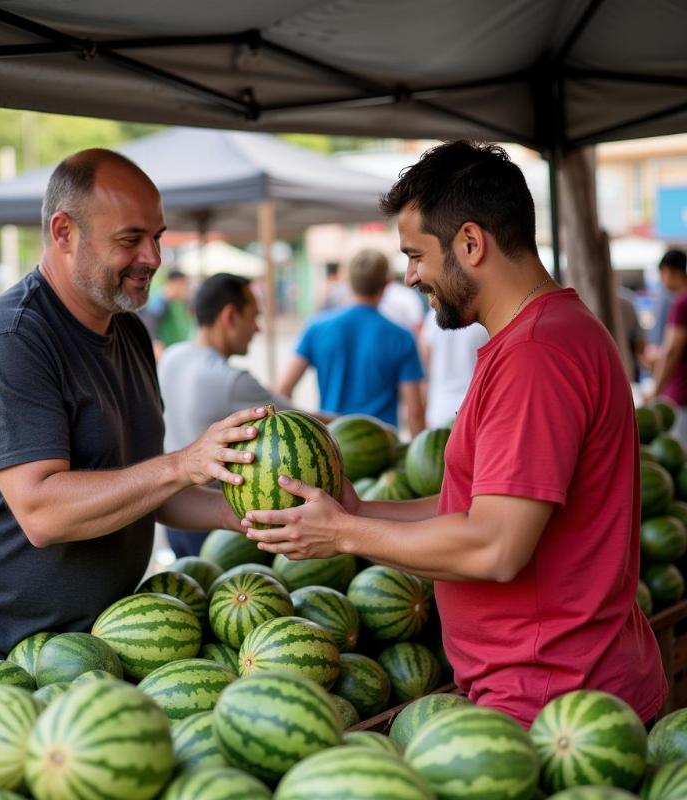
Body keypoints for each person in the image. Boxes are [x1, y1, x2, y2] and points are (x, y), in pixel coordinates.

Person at [243, 140, 666, 729]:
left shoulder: (537, 356)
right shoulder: (537, 336)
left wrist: (344, 534)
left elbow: (495, 547)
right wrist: (363, 510)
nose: (411, 276)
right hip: (555, 687)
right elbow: (469, 512)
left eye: (416, 255)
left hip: (553, 704)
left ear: (470, 243)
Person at [0, 149, 264, 677]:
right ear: (64, 232)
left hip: (87, 651)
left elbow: (139, 487)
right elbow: (43, 511)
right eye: (130, 239)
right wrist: (182, 462)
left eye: (157, 236)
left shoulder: (131, 332)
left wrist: (243, 516)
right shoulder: (13, 339)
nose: (154, 257)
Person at [158, 272, 293, 558]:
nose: (257, 329)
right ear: (230, 316)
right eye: (253, 316)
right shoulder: (231, 380)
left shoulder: (173, 356)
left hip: (174, 513)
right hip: (217, 522)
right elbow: (301, 422)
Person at [277, 249, 425, 435]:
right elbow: (415, 412)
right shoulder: (401, 337)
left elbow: (282, 390)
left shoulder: (316, 328)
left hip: (332, 443)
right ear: (386, 284)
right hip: (382, 448)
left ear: (347, 282)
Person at [420, 306, 488, 429]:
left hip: (439, 408)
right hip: (473, 408)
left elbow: (426, 365)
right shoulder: (481, 322)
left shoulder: (432, 318)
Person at [648, 249, 687, 443]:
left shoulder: (681, 303)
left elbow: (672, 351)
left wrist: (655, 391)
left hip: (681, 395)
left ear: (669, 271)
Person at [141, 267, 194, 359]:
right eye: (183, 284)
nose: (185, 287)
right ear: (174, 283)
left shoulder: (180, 301)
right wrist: (157, 345)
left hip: (181, 350)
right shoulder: (160, 300)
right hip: (167, 353)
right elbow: (151, 323)